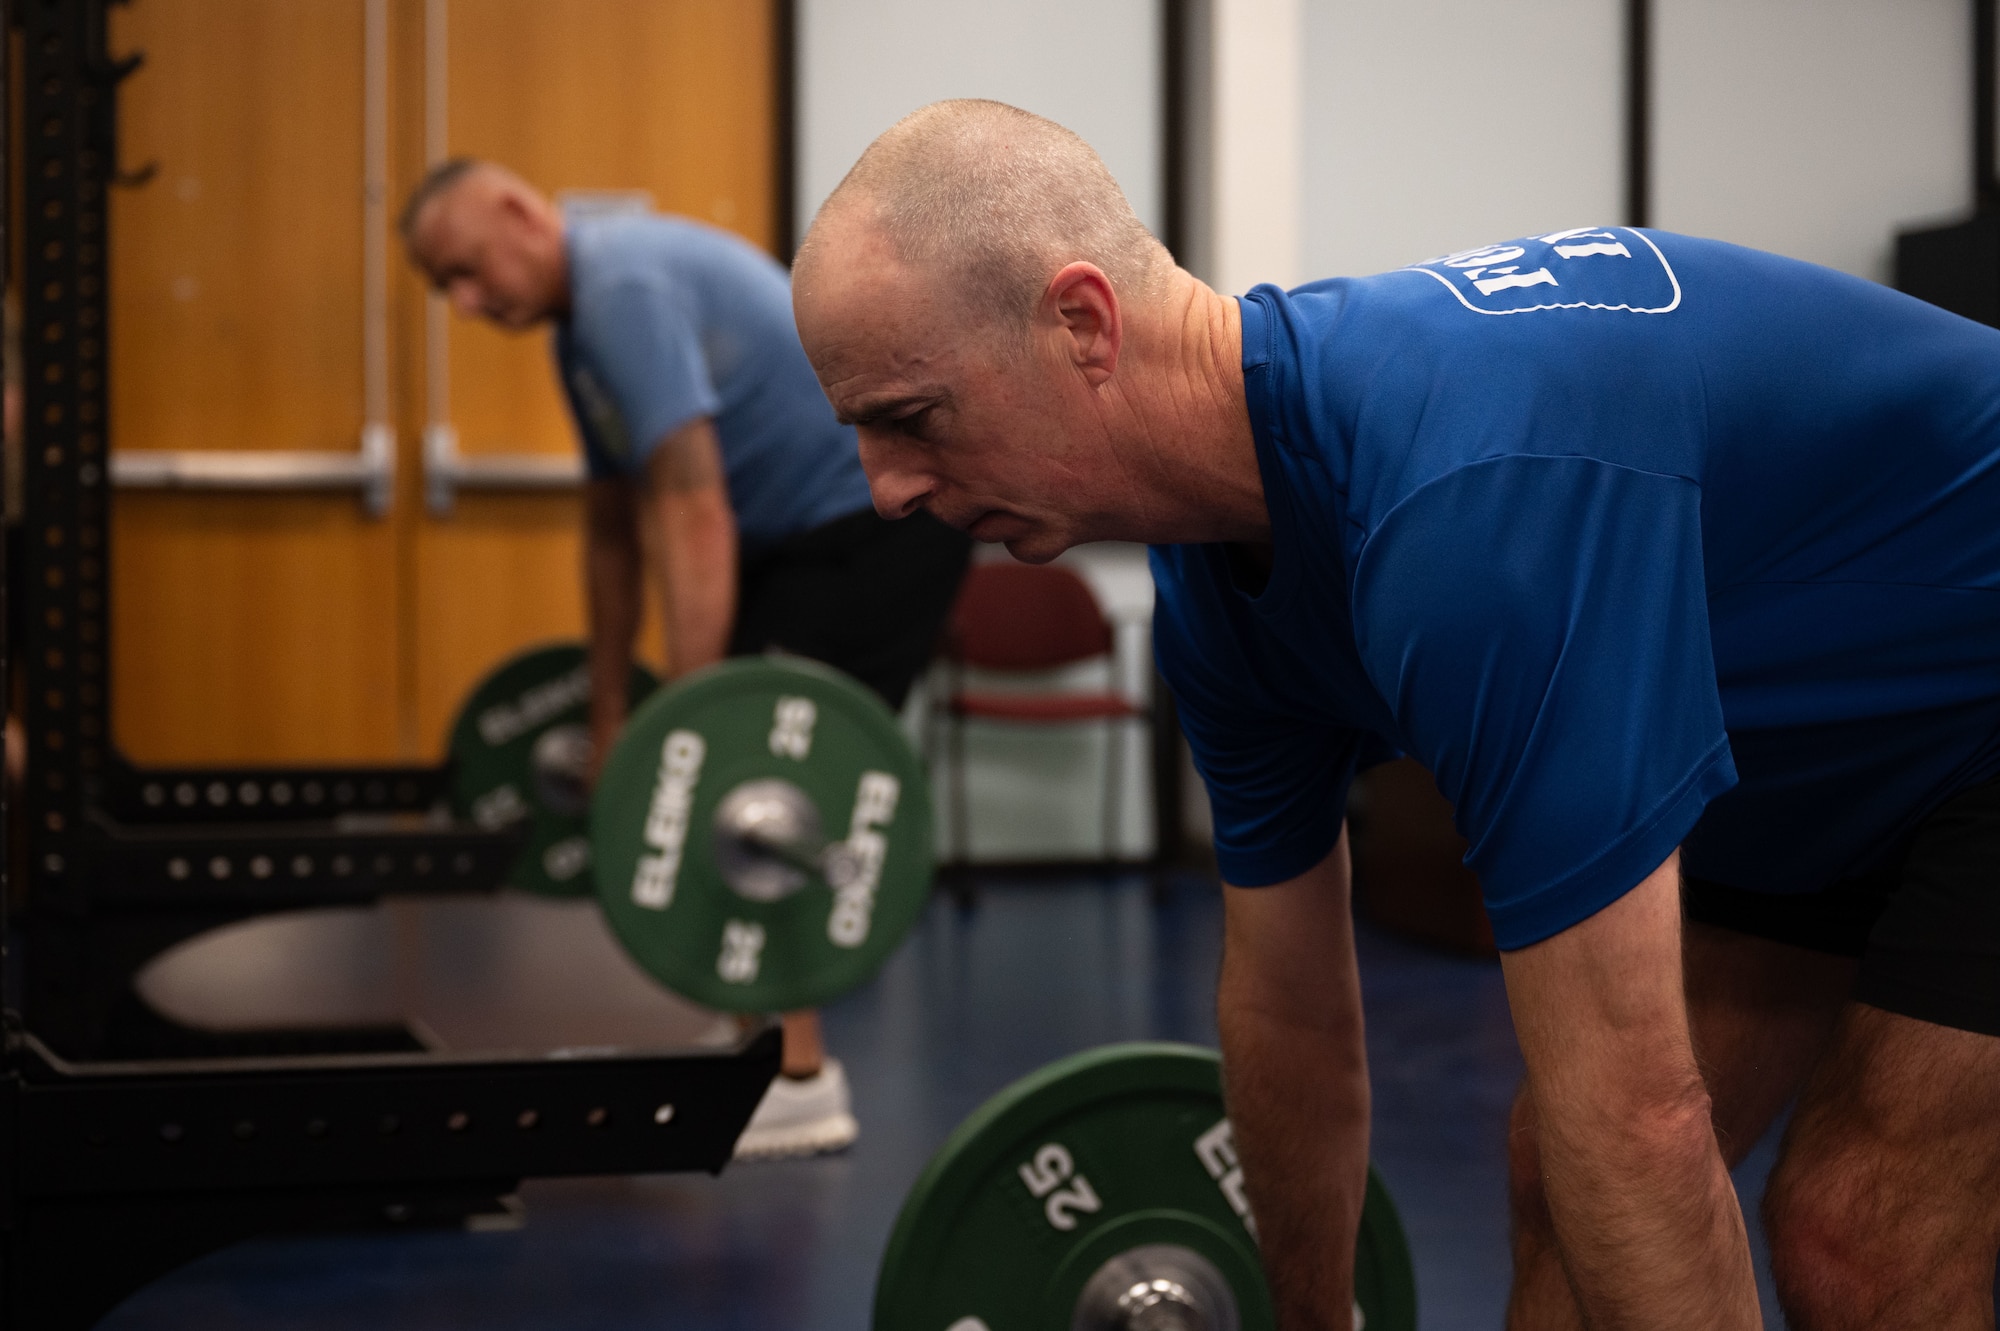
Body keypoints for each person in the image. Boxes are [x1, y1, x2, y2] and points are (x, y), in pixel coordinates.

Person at [790, 99, 2000, 1328]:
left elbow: (1636, 1119)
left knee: (1852, 1236)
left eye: (908, 417)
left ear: (1082, 323)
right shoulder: (1216, 584)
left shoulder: (1465, 510)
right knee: (1565, 1182)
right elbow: (1290, 1015)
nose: (882, 491)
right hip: (1816, 755)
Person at [401, 159, 970, 1160]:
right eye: (443, 288)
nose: (465, 302)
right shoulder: (581, 327)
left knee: (757, 780)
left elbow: (692, 509)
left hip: (869, 535)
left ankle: (797, 1078)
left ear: (514, 210)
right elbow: (615, 526)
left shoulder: (621, 287)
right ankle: (752, 1044)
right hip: (800, 545)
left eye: (465, 270)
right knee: (731, 770)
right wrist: (619, 707)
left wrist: (693, 726)